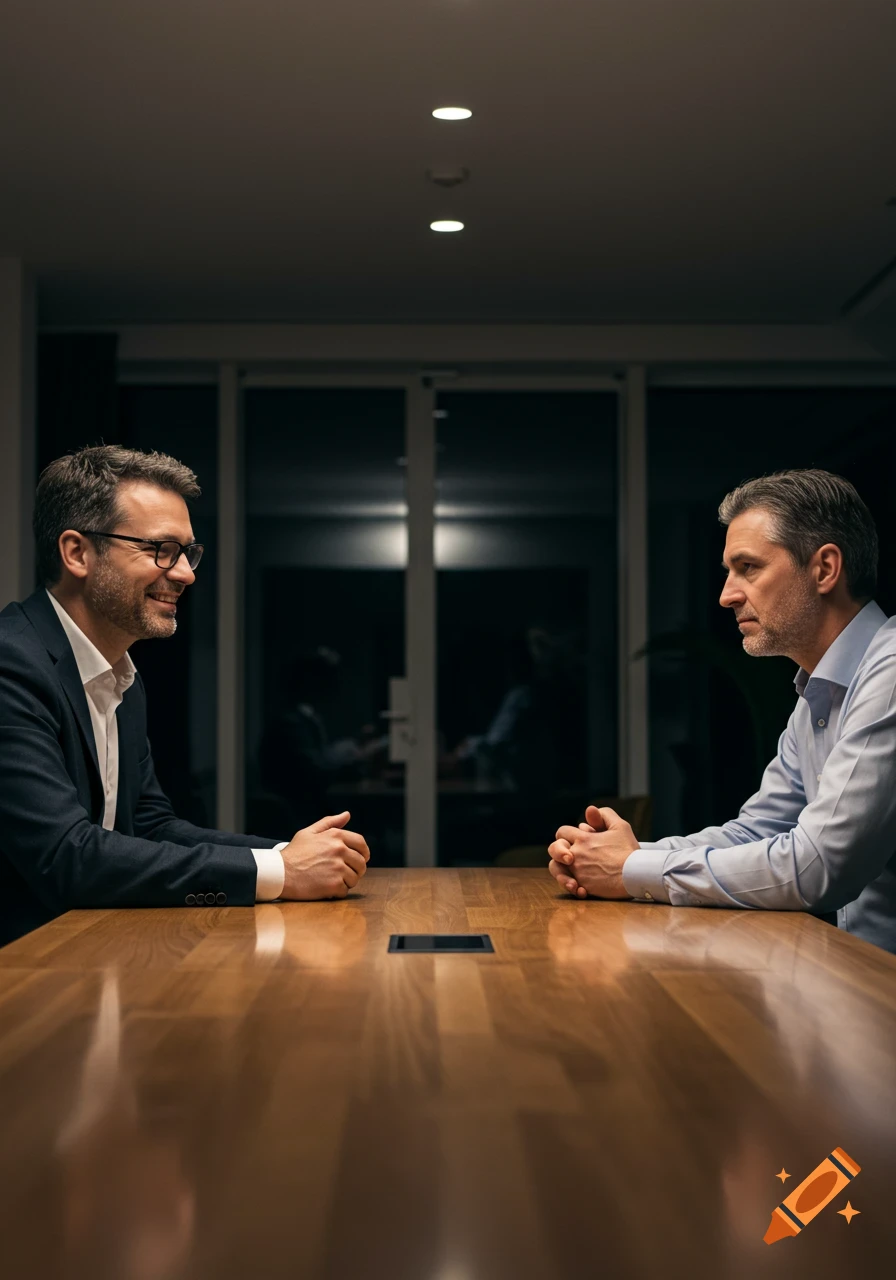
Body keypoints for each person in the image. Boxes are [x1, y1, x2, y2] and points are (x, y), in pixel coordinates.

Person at [0, 445, 369, 947]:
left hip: (84, 957)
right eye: (160, 549)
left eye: (188, 552)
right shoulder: (11, 665)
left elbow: (150, 826)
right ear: (77, 553)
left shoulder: (121, 674)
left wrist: (292, 853)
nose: (186, 574)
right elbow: (66, 857)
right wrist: (280, 871)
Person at [548, 469, 896, 954]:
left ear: (825, 569)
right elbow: (756, 832)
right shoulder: (818, 692)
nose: (727, 595)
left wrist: (628, 870)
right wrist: (616, 857)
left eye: (748, 568)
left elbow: (820, 868)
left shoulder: (890, 673)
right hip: (861, 979)